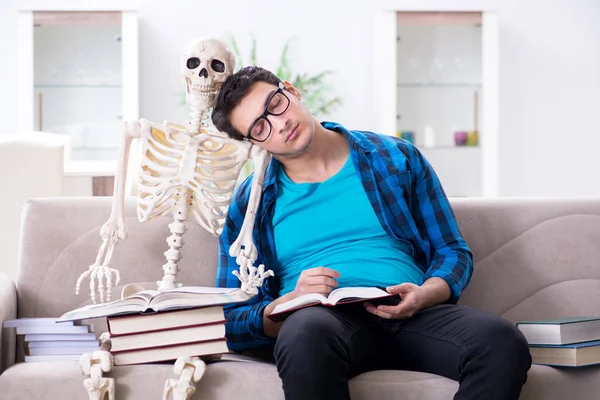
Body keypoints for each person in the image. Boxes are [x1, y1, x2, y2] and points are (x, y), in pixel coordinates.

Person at [211, 66, 531, 400]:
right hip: (321, 326)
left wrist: (426, 293)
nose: (280, 124)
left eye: (276, 104)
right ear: (252, 143)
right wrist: (283, 307)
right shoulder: (250, 203)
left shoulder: (395, 157)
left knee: (501, 341)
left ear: (290, 90)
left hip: (412, 313)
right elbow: (229, 320)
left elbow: (452, 250)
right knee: (304, 332)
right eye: (260, 128)